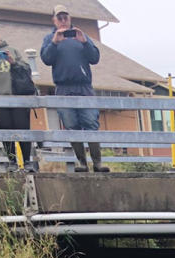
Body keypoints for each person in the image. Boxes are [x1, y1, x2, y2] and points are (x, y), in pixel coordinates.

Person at [40, 5, 107, 172]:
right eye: (59, 18)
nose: (63, 21)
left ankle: (97, 162)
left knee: (91, 122)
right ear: (54, 20)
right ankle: (82, 163)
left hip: (84, 87)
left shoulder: (81, 35)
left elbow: (95, 58)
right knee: (71, 126)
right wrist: (55, 42)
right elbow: (46, 59)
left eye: (65, 17)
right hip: (63, 87)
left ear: (70, 18)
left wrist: (84, 42)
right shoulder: (50, 39)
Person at [0, 19, 35, 170]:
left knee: (23, 129)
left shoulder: (12, 50)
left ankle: (27, 161)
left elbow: (27, 70)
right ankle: (12, 162)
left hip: (17, 97)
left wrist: (13, 61)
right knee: (6, 131)